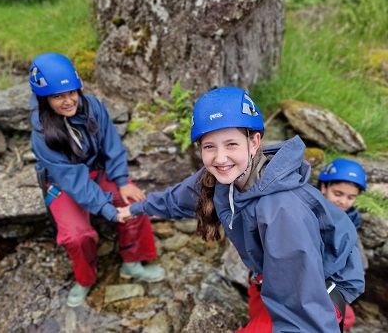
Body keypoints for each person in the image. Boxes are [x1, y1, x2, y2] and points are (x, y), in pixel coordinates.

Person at [117, 86, 365, 332]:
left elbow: (304, 316)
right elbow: (178, 199)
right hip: (271, 274)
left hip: (316, 291)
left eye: (231, 144)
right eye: (209, 146)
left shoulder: (281, 210)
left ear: (254, 142)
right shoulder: (222, 178)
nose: (220, 158)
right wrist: (137, 209)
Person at [28, 52, 165, 307]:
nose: (69, 101)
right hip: (63, 182)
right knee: (76, 235)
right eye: (58, 96)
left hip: (96, 170)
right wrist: (107, 210)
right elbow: (73, 180)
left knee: (135, 202)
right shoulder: (41, 133)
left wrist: (123, 181)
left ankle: (132, 263)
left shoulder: (92, 106)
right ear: (44, 98)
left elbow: (111, 144)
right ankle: (85, 279)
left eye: (72, 92)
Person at [318, 158, 368, 331]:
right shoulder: (313, 214)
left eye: (351, 197)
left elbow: (355, 248)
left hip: (331, 287)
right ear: (323, 187)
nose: (344, 201)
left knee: (347, 317)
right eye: (338, 194)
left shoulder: (351, 220)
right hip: (309, 283)